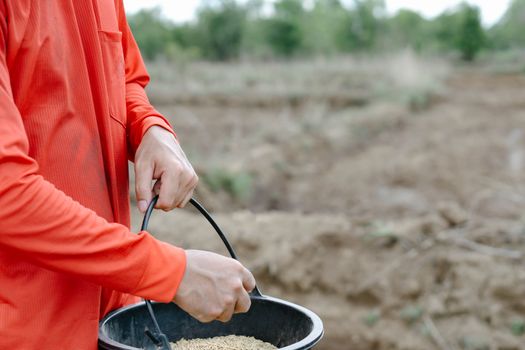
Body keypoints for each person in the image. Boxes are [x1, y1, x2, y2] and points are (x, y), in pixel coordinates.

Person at [0, 1, 256, 349]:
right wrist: (170, 272)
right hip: (26, 331)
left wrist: (148, 128)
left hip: (113, 321)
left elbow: (123, 76)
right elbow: (6, 191)